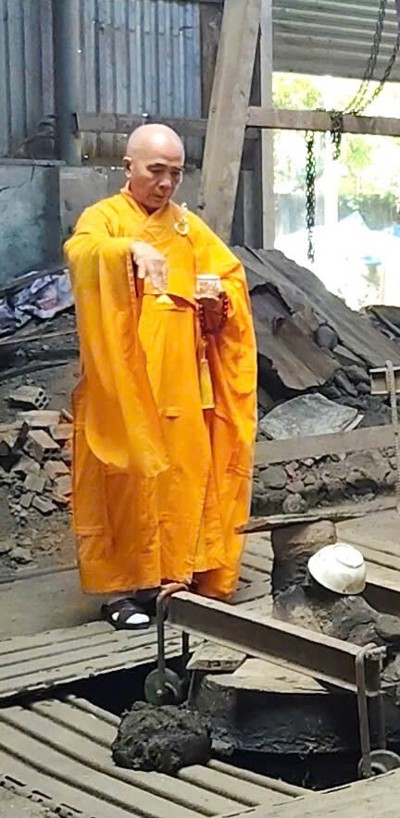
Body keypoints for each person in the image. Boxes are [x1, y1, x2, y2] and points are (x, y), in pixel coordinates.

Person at [65, 124, 258, 630]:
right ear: (128, 166)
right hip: (122, 387)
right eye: (156, 171)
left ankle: (172, 579)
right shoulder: (105, 218)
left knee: (180, 479)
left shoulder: (187, 228)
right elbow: (81, 252)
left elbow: (229, 278)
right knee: (122, 483)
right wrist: (127, 249)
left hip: (182, 385)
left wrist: (217, 302)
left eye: (176, 173)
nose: (166, 183)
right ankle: (121, 591)